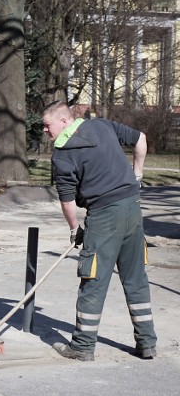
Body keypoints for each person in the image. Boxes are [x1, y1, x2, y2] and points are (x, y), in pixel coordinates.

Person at [42, 100, 157, 361]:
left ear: (63, 121)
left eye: (47, 126)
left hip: (104, 216)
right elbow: (141, 139)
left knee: (93, 280)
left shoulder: (62, 154)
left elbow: (67, 201)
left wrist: (75, 229)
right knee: (136, 278)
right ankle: (147, 343)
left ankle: (82, 347)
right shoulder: (102, 125)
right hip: (132, 209)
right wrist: (136, 176)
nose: (45, 132)